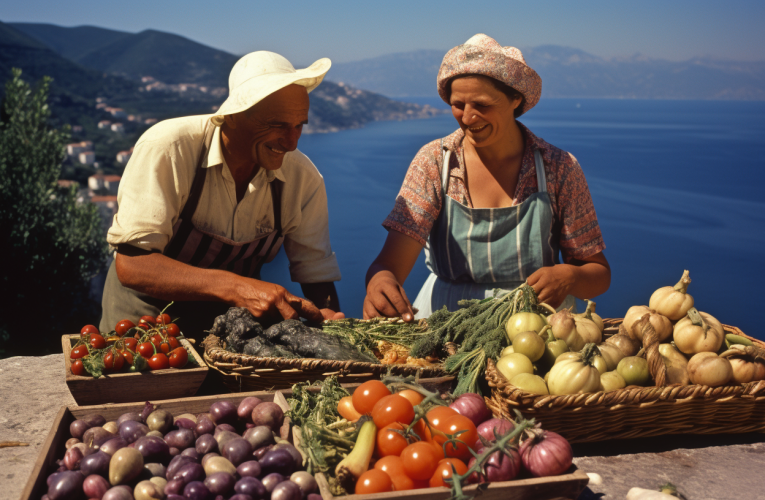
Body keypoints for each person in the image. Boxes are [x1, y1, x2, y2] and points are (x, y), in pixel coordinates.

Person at [363, 34, 611, 322]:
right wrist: (379, 282)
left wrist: (569, 276)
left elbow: (599, 274)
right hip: (444, 328)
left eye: (482, 105)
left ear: (515, 98)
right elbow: (390, 263)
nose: (468, 118)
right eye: (458, 104)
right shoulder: (435, 163)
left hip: (539, 332)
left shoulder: (558, 168)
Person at [100, 51, 344, 336]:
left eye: (299, 125)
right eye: (277, 125)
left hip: (232, 330)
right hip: (146, 325)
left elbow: (316, 274)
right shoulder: (171, 148)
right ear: (234, 116)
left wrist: (328, 317)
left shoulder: (303, 179)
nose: (291, 143)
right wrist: (238, 287)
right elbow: (132, 265)